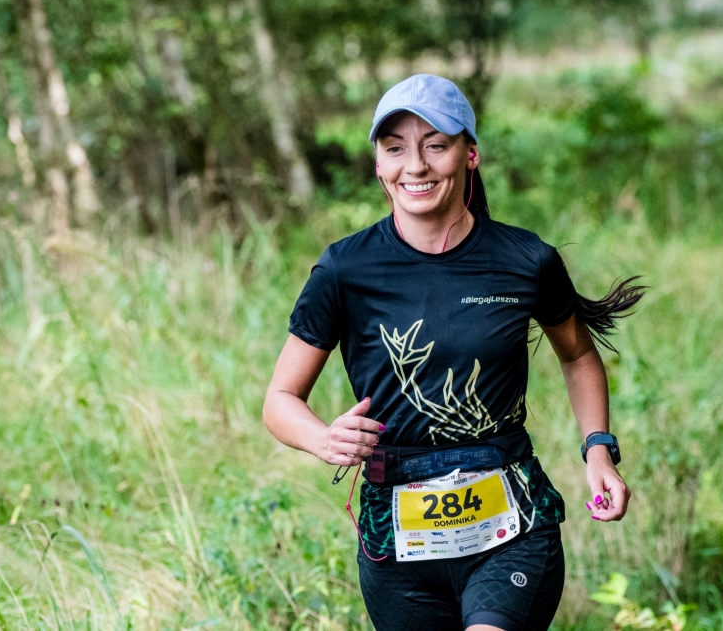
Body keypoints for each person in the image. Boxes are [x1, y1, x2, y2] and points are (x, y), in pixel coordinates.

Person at [263, 74, 643, 631]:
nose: (415, 166)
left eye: (435, 145)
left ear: (470, 154)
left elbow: (578, 356)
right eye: (395, 149)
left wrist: (598, 450)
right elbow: (279, 399)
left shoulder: (525, 259)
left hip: (511, 525)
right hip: (397, 540)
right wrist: (322, 438)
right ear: (378, 164)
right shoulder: (345, 269)